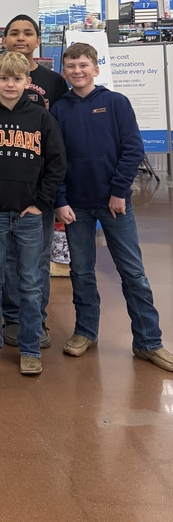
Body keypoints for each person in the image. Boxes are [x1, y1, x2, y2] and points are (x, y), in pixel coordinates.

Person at [51, 42, 173, 371]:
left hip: (114, 205)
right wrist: (60, 200)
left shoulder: (115, 103)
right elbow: (54, 159)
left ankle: (149, 342)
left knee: (133, 273)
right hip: (75, 207)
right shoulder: (59, 110)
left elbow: (133, 149)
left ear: (96, 68)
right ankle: (85, 332)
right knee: (81, 272)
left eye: (83, 65)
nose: (77, 71)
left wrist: (119, 191)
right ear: (64, 72)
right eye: (71, 66)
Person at [0, 52, 66, 375]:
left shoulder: (41, 118)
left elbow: (57, 163)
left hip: (29, 215)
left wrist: (41, 203)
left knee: (31, 283)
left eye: (17, 79)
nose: (10, 84)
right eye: (4, 78)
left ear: (27, 82)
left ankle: (30, 348)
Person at [0, 14, 69, 350]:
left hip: (38, 189)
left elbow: (59, 139)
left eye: (28, 33)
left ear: (37, 40)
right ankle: (12, 319)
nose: (21, 37)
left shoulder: (54, 81)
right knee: (4, 262)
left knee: (36, 261)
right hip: (0, 191)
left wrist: (51, 194)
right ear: (3, 40)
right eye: (14, 33)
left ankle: (36, 320)